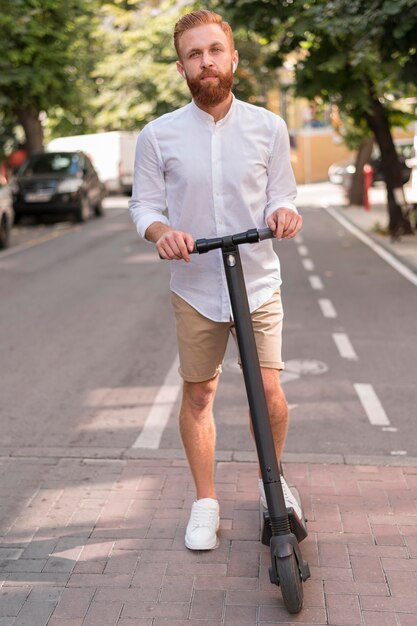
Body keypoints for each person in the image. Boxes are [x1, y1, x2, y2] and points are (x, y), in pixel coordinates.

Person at [129, 9, 303, 551]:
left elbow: (282, 193)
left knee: (268, 390)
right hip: (196, 284)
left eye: (213, 50)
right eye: (193, 54)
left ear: (232, 58)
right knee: (200, 393)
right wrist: (162, 234)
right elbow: (145, 207)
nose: (205, 61)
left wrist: (284, 214)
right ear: (181, 68)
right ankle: (205, 501)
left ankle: (273, 487)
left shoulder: (268, 127)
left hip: (258, 282)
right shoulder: (159, 135)